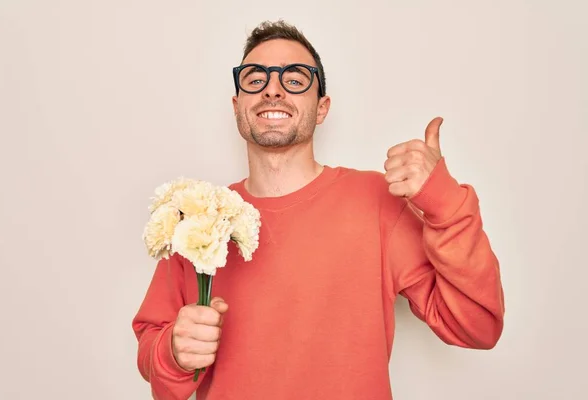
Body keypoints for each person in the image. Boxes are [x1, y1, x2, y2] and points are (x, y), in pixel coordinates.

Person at [132, 19, 505, 400]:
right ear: (237, 105)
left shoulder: (376, 202)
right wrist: (173, 353)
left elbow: (477, 326)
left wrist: (445, 203)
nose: (273, 90)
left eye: (294, 80)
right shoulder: (198, 218)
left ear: (322, 107)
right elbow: (152, 351)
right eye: (255, 79)